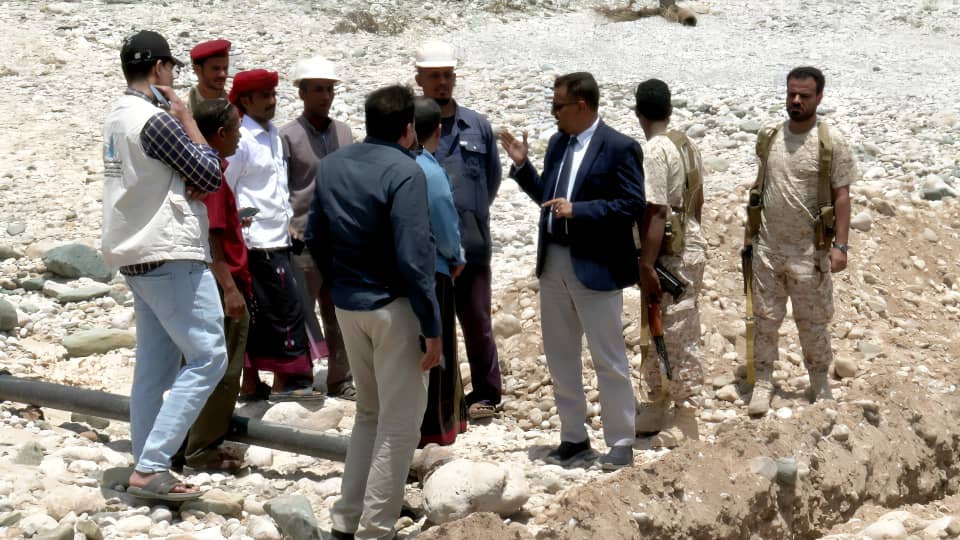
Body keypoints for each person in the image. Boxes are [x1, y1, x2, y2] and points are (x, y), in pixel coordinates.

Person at [305, 84, 441, 540]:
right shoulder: (406, 171)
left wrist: (340, 283)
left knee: (369, 413)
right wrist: (433, 326)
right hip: (394, 308)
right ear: (408, 129)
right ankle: (376, 530)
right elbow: (415, 257)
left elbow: (315, 235)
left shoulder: (333, 164)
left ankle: (346, 520)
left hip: (349, 305)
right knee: (400, 424)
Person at [101, 30, 226, 500]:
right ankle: (153, 465)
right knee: (209, 356)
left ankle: (146, 461)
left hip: (135, 254)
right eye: (172, 67)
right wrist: (188, 118)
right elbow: (210, 172)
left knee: (153, 369)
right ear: (159, 69)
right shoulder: (156, 121)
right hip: (170, 252)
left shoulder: (116, 116)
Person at [500, 72, 644, 470]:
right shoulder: (559, 143)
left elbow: (632, 204)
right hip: (554, 262)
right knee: (560, 354)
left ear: (581, 105)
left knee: (608, 357)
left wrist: (579, 211)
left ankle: (620, 441)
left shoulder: (620, 147)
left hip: (595, 265)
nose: (553, 113)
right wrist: (523, 167)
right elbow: (550, 199)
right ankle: (573, 437)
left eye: (558, 106)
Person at [744, 66, 859, 416]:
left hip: (810, 253)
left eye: (804, 95)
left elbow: (842, 196)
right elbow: (760, 184)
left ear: (819, 97)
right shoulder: (770, 137)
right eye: (791, 93)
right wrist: (749, 236)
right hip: (768, 249)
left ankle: (819, 381)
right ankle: (763, 382)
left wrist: (841, 246)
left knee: (813, 322)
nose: (796, 100)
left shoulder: (831, 142)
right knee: (764, 319)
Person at [414, 41, 502, 420]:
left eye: (447, 75)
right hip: (426, 252)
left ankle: (487, 394)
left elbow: (492, 179)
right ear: (419, 79)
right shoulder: (411, 126)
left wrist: (469, 217)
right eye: (434, 76)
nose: (442, 82)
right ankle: (438, 400)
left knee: (478, 322)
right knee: (430, 326)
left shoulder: (477, 126)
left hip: (472, 245)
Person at [226, 69, 315, 400]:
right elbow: (227, 185)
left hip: (278, 237)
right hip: (255, 240)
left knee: (271, 312)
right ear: (246, 101)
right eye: (265, 95)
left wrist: (288, 221)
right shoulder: (241, 139)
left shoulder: (274, 135)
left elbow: (276, 186)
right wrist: (238, 226)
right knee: (279, 312)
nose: (272, 101)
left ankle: (257, 385)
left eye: (273, 94)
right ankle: (280, 385)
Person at [175, 98, 249, 472]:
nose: (240, 137)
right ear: (220, 134)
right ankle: (203, 448)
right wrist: (231, 289)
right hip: (223, 282)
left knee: (194, 363)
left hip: (197, 277)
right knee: (223, 367)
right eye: (236, 130)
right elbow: (213, 236)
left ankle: (179, 443)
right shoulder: (213, 176)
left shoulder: (195, 170)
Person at [632, 79, 706, 448]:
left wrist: (647, 264)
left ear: (638, 112)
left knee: (677, 332)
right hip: (687, 244)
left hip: (670, 254)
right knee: (659, 327)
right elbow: (698, 200)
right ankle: (659, 402)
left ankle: (687, 414)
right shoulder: (685, 144)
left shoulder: (655, 150)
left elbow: (657, 211)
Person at [280, 56, 356, 400]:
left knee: (339, 310)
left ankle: (341, 379)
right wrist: (287, 224)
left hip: (340, 237)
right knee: (301, 311)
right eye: (318, 90)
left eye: (329, 89)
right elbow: (279, 186)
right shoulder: (287, 136)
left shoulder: (345, 133)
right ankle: (300, 379)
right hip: (303, 237)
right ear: (302, 93)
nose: (326, 96)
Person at [413, 96, 468, 447]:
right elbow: (445, 223)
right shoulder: (430, 171)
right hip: (434, 270)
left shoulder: (393, 163)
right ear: (438, 130)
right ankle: (437, 426)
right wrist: (456, 256)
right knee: (436, 345)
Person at [185, 39, 230, 112]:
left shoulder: (236, 105)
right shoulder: (182, 106)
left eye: (225, 68)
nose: (223, 74)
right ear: (197, 70)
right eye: (216, 69)